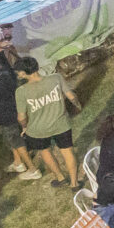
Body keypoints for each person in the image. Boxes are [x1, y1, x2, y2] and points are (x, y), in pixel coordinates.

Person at [13, 57, 82, 190]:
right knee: (68, 152)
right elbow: (71, 96)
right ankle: (74, 183)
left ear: (23, 73)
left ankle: (60, 177)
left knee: (45, 152)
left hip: (38, 130)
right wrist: (78, 105)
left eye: (18, 72)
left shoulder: (21, 91)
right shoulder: (56, 78)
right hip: (61, 125)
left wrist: (24, 127)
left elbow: (21, 116)